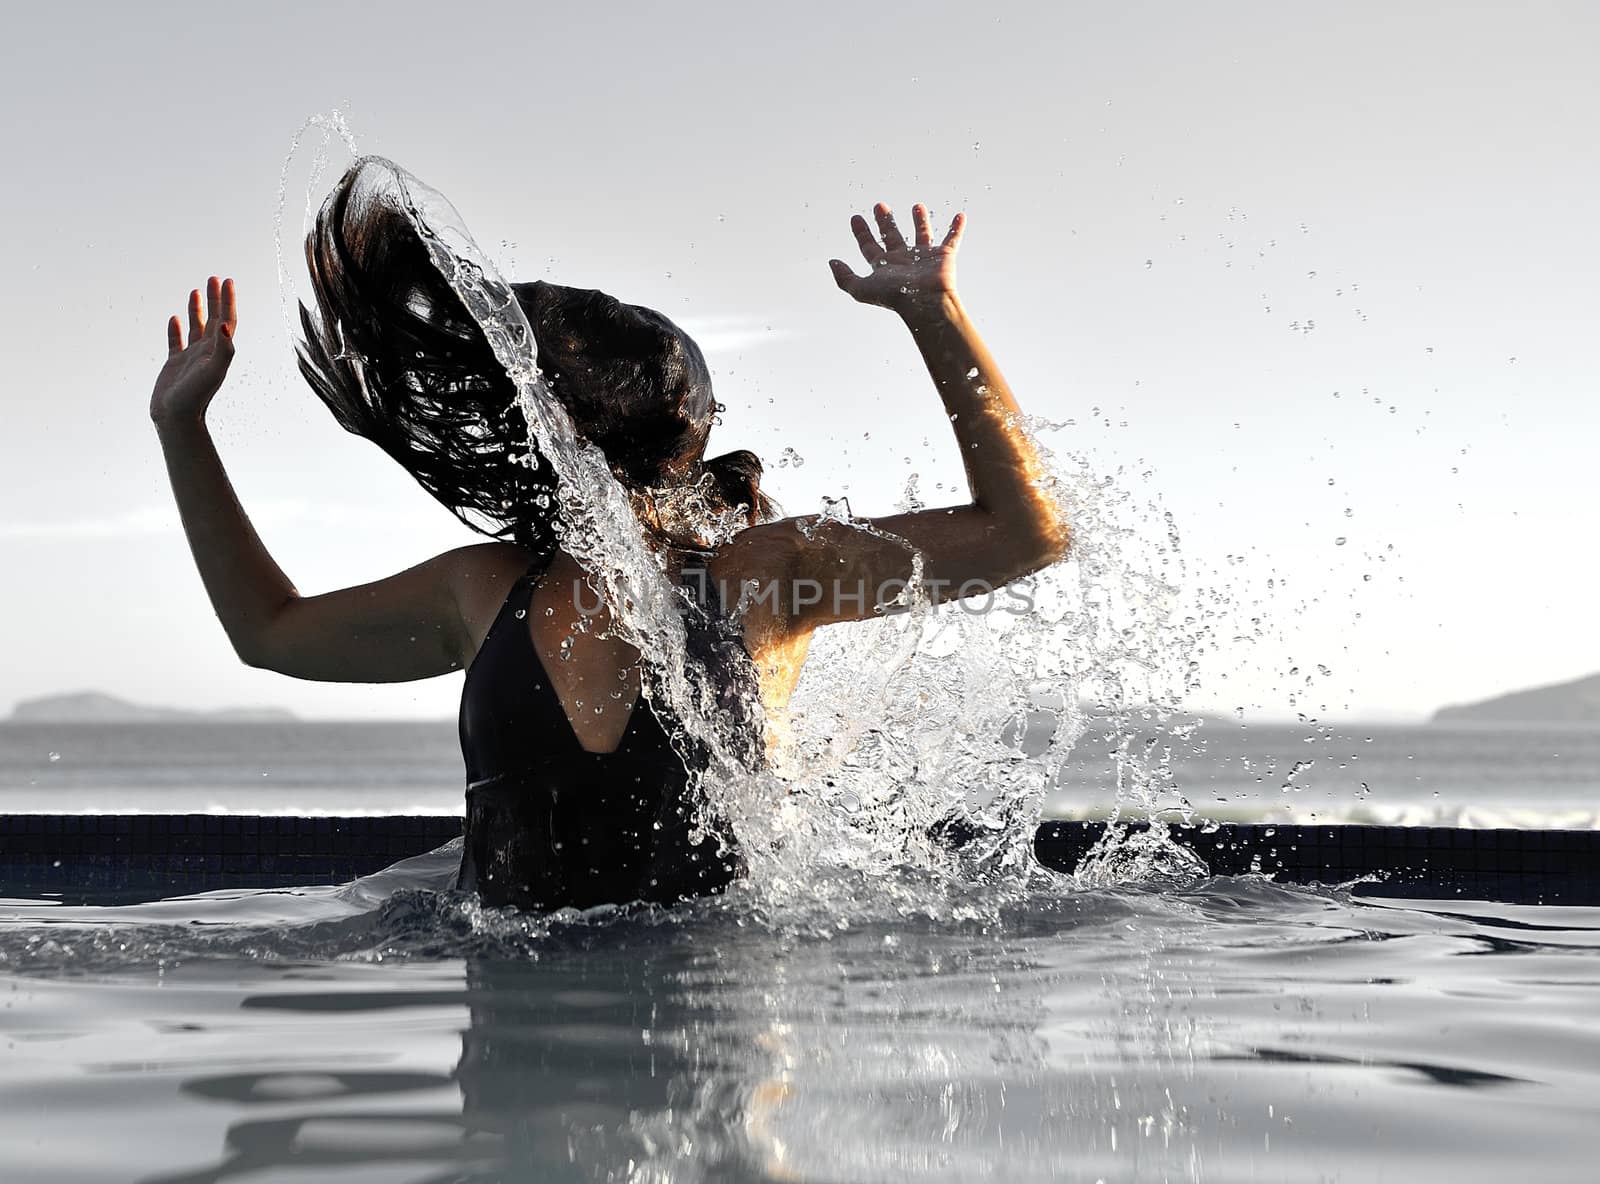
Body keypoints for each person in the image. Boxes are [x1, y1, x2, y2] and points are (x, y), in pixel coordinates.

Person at [148, 159, 1070, 911]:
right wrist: (183, 432)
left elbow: (1026, 534)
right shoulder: (481, 588)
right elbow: (269, 632)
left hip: (723, 1043)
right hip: (516, 1057)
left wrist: (935, 314)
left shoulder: (770, 571)